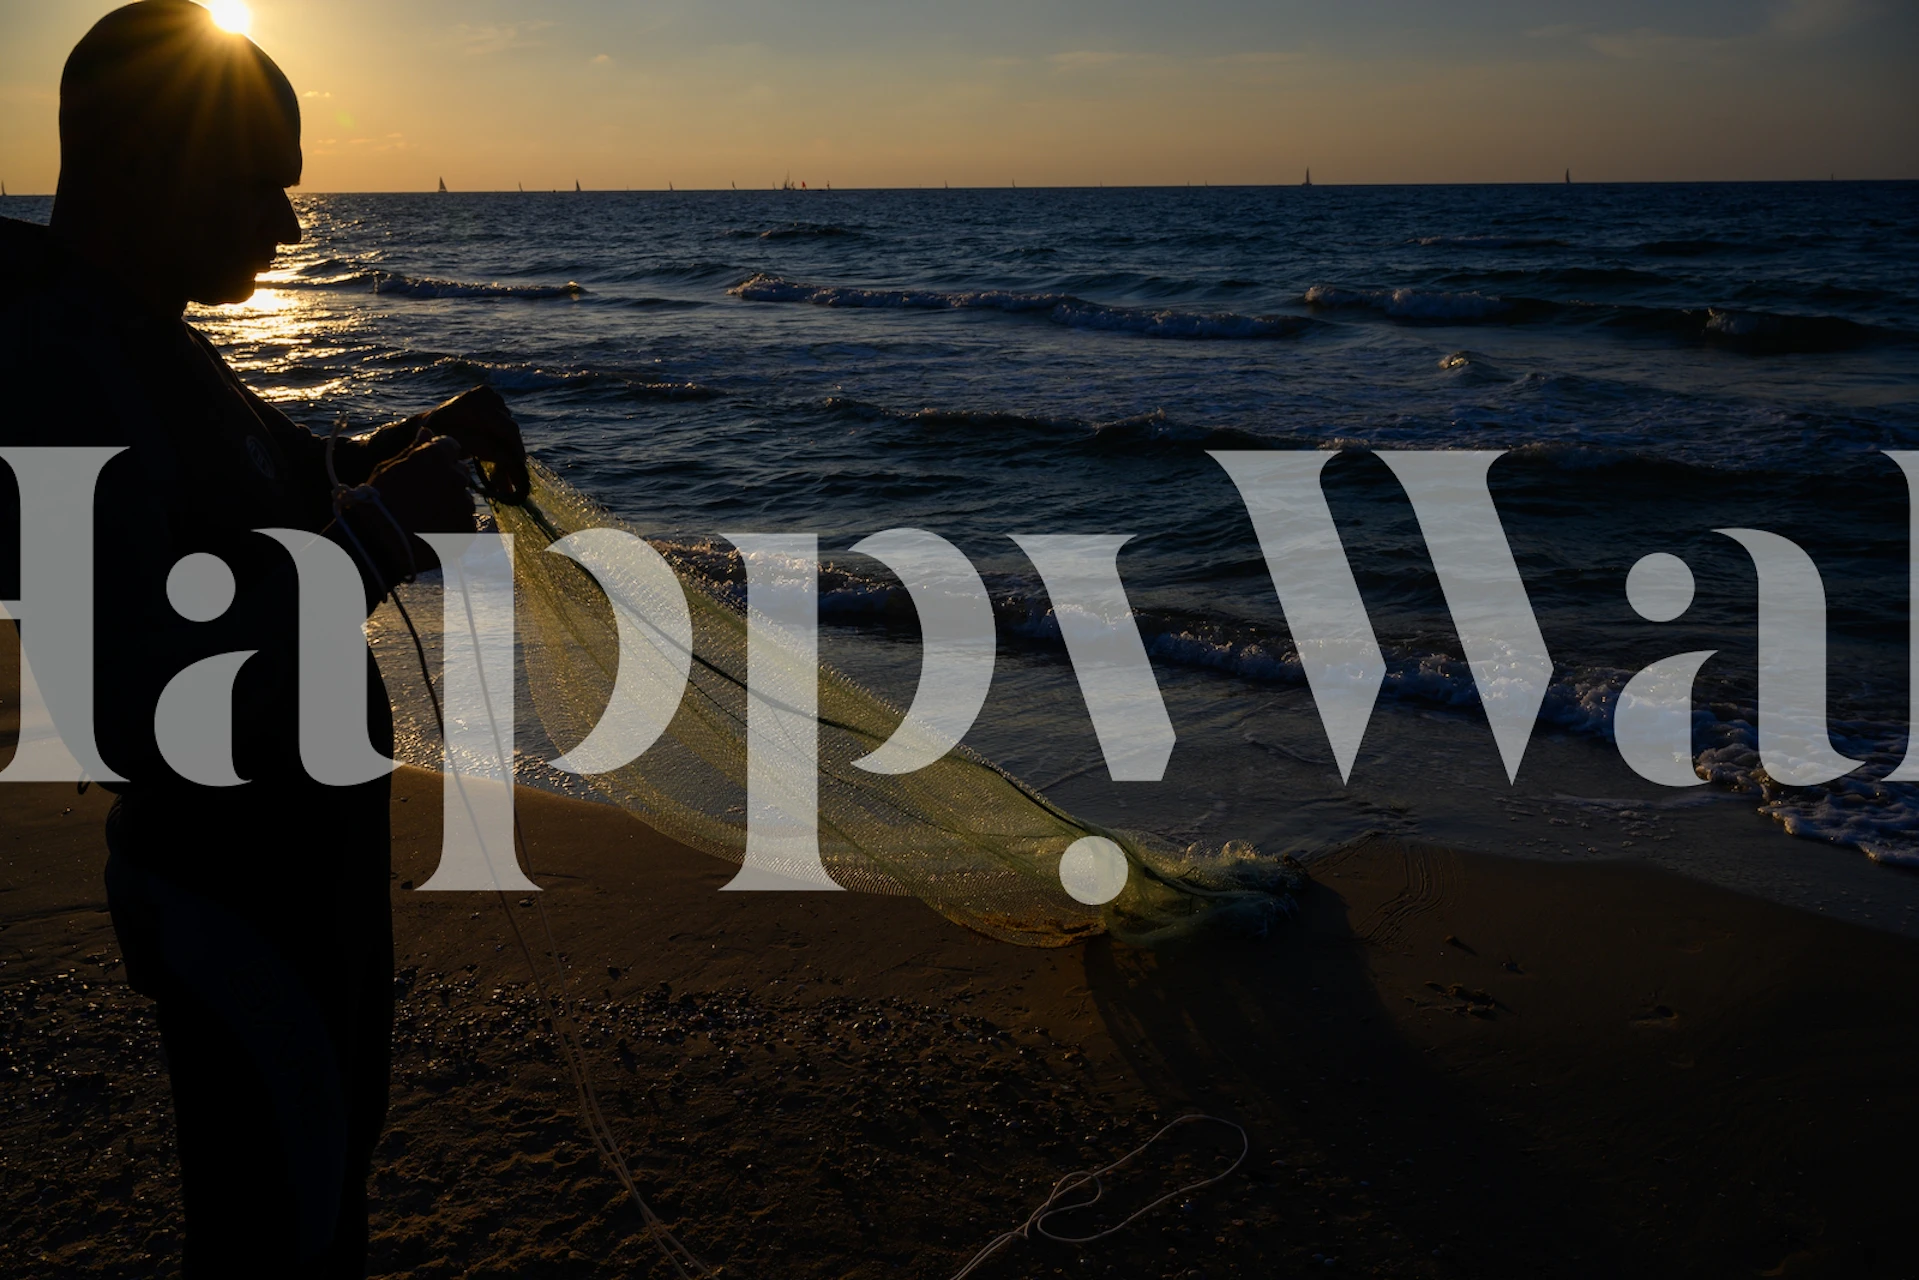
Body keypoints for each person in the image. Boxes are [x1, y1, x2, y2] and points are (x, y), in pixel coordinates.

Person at [0, 3, 529, 1274]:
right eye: (258, 188)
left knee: (321, 1199)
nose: (289, 229)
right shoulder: (58, 369)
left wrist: (415, 443)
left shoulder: (148, 337)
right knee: (275, 1233)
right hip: (236, 896)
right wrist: (375, 540)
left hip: (308, 881)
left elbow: (285, 482)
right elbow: (128, 687)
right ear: (146, 164)